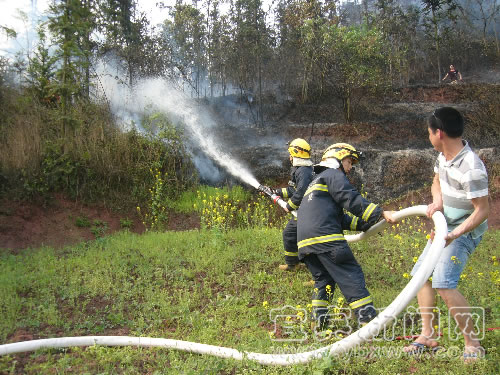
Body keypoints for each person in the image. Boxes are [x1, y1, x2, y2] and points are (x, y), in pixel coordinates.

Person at [403, 107, 489, 362]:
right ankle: (427, 336)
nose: (428, 137)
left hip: (465, 230)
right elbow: (437, 180)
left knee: (443, 281)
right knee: (422, 276)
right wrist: (438, 202)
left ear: (438, 133)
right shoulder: (443, 156)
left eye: (429, 132)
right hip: (446, 227)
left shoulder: (472, 167)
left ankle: (473, 345)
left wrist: (454, 234)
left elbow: (482, 211)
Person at [296, 143, 395, 328]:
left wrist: (367, 223)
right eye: (349, 162)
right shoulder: (333, 175)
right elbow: (349, 197)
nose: (350, 168)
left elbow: (340, 219)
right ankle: (368, 323)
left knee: (324, 281)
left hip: (305, 244)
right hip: (327, 241)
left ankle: (319, 323)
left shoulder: (315, 183)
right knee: (351, 276)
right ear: (338, 159)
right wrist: (380, 212)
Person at [269, 138, 314, 271]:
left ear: (295, 154)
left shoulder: (304, 171)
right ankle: (293, 264)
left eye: (291, 154)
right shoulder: (301, 169)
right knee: (291, 234)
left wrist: (289, 206)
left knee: (303, 240)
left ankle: (314, 271)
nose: (289, 157)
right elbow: (293, 190)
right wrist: (275, 192)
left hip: (308, 213)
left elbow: (301, 192)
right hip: (303, 212)